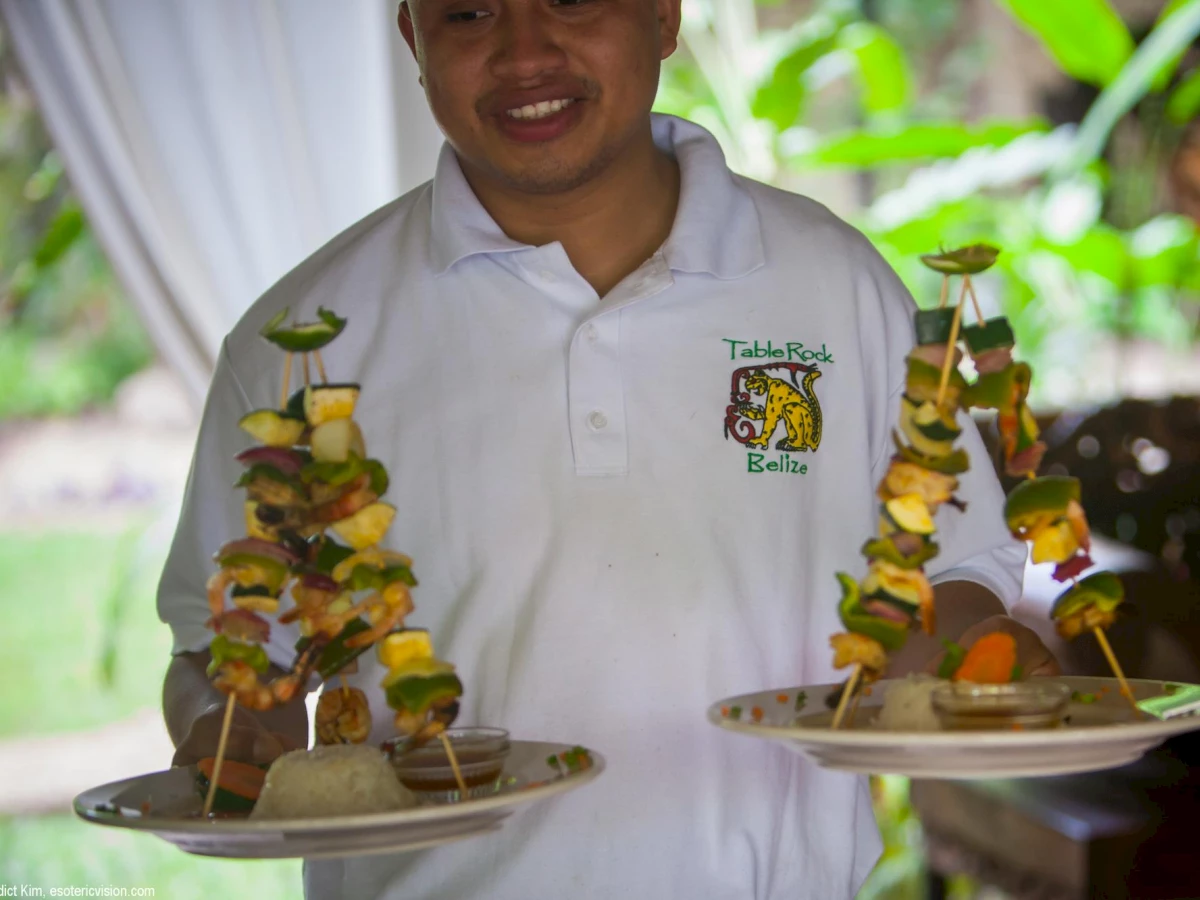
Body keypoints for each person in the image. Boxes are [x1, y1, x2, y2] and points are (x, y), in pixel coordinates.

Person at [160, 1, 1056, 897]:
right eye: (468, 12)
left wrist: (982, 667)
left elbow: (948, 577)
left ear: (663, 15)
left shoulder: (831, 283)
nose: (524, 54)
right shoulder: (306, 340)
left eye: (572, 0)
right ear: (413, 38)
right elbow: (221, 653)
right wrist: (226, 731)